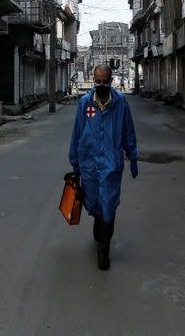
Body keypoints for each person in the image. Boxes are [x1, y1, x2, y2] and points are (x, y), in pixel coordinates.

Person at [68, 64, 140, 270]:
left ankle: (104, 249)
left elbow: (128, 131)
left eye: (105, 82)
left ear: (111, 80)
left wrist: (133, 156)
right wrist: (75, 164)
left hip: (111, 165)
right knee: (94, 204)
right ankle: (98, 224)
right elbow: (77, 133)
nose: (101, 85)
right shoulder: (84, 104)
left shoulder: (120, 103)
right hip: (89, 164)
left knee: (109, 204)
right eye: (97, 81)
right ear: (93, 80)